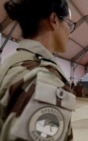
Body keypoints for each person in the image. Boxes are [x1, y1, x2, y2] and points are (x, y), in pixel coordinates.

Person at [0, 0, 76, 140]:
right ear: (53, 19)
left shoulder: (10, 63)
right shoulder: (46, 81)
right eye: (69, 24)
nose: (70, 35)